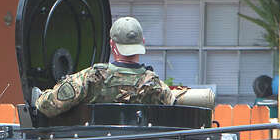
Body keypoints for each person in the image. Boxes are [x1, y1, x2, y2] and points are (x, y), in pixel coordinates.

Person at [31, 16, 175, 116]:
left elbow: (48, 106)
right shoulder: (156, 86)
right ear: (142, 42)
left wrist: (39, 97)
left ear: (112, 45)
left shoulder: (91, 78)